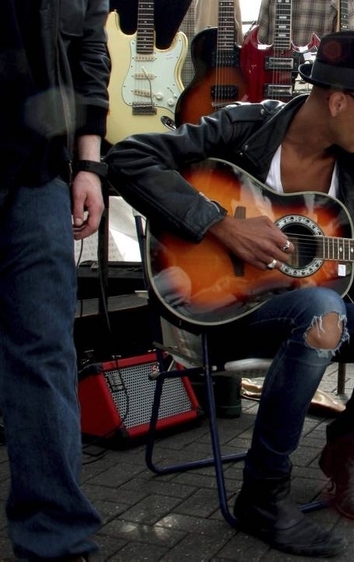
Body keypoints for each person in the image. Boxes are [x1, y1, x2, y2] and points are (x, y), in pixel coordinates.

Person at [105, 31, 354, 557]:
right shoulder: (243, 126)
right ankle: (262, 494)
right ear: (336, 100)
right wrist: (219, 223)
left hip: (304, 312)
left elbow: (342, 262)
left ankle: (344, 445)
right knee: (323, 313)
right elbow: (128, 159)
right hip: (214, 310)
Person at [0, 0, 109, 559]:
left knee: (45, 355)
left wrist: (88, 163)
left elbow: (90, 48)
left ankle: (57, 543)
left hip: (36, 173)